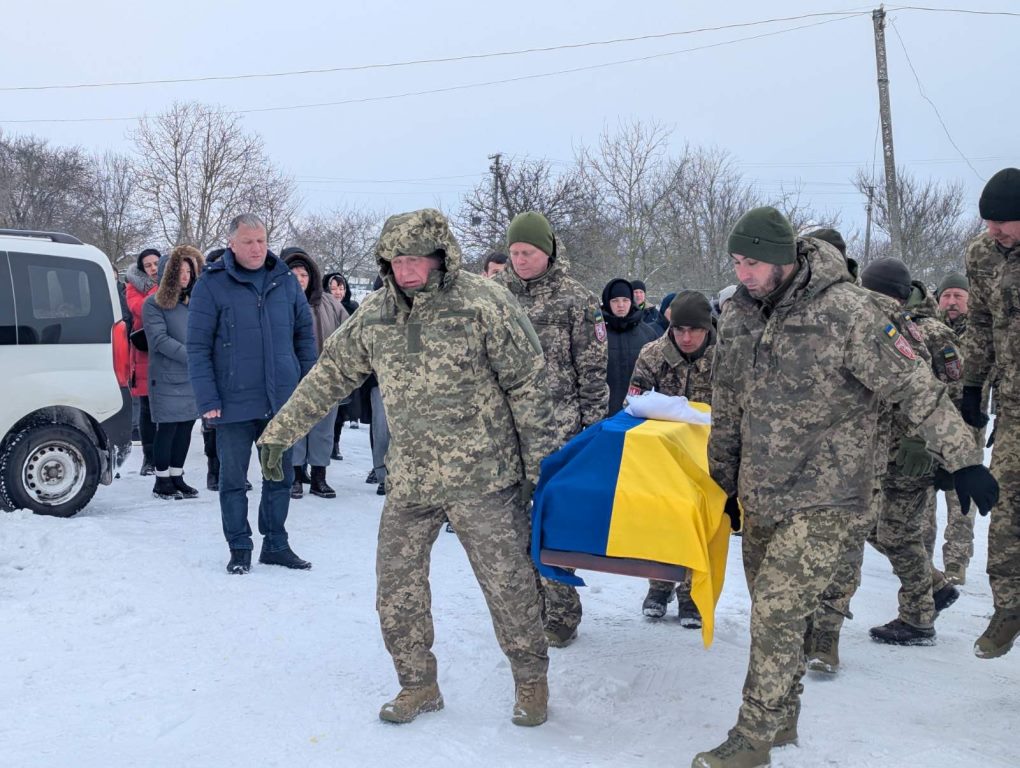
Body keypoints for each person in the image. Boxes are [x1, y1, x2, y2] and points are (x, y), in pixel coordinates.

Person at [695, 206, 997, 768]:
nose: (745, 272)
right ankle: (782, 715)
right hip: (764, 491)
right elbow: (728, 403)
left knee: (778, 614)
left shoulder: (851, 312)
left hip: (831, 494)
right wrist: (725, 479)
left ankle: (753, 738)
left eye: (755, 262)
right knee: (772, 610)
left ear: (785, 257)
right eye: (737, 261)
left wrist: (964, 459)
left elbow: (917, 387)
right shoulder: (737, 314)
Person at [256, 208, 557, 727]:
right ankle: (417, 684)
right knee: (396, 587)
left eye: (416, 259)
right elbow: (329, 375)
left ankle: (530, 679)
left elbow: (528, 387)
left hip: (483, 477)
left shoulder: (483, 303)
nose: (407, 270)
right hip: (411, 479)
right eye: (397, 260)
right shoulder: (375, 315)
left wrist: (541, 471)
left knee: (508, 586)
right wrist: (279, 433)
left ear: (441, 257)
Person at [494, 210, 609, 647]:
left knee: (551, 527)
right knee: (509, 527)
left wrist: (590, 436)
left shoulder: (575, 299)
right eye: (515, 252)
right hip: (504, 431)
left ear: (548, 251)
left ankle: (561, 613)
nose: (520, 260)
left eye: (529, 252)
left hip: (557, 434)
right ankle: (525, 611)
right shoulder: (495, 295)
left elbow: (593, 375)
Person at [187, 213, 317, 575]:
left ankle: (275, 543)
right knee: (233, 480)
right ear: (232, 244)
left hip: (281, 401)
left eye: (261, 240)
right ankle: (239, 547)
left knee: (280, 476)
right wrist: (208, 400)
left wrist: (308, 388)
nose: (257, 248)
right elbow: (196, 348)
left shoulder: (285, 281)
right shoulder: (211, 284)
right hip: (232, 402)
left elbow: (304, 337)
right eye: (248, 241)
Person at [853, 259, 964, 646]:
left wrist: (928, 443)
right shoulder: (883, 327)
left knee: (898, 535)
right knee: (873, 527)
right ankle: (932, 586)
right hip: (882, 451)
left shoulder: (912, 332)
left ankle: (918, 618)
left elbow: (948, 389)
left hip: (909, 454)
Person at [960, 167, 1020, 659]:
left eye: (1003, 222)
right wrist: (973, 386)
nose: (993, 231)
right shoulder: (981, 255)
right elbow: (979, 322)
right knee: (1007, 509)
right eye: (988, 222)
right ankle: (1010, 607)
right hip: (1015, 404)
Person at [630, 290, 716, 627]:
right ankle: (659, 584)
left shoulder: (726, 356)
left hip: (709, 457)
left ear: (707, 328)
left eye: (694, 330)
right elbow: (634, 401)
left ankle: (692, 592)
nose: (686, 337)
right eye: (679, 330)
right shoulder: (653, 354)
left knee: (702, 522)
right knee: (661, 517)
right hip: (661, 455)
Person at [282, 248, 348, 499]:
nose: (299, 279)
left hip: (326, 377)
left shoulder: (329, 303)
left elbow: (348, 334)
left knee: (323, 429)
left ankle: (319, 477)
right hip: (292, 376)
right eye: (293, 274)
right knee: (295, 427)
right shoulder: (279, 303)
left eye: (303, 274)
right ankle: (296, 476)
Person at [142, 246, 204, 501]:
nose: (186, 276)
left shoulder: (194, 303)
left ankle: (177, 476)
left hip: (191, 378)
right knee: (167, 428)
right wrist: (193, 356)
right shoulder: (153, 304)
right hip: (167, 376)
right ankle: (161, 479)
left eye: (190, 271)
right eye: (180, 271)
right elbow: (158, 340)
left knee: (185, 427)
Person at [936, 271, 977, 584]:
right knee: (919, 500)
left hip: (965, 430)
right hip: (927, 429)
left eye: (957, 297)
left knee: (961, 500)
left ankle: (956, 563)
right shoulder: (925, 331)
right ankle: (920, 562)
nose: (951, 302)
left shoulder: (979, 335)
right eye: (947, 296)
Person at [125, 248, 161, 475]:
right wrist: (160, 290)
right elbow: (140, 309)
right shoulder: (133, 287)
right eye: (148, 265)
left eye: (156, 263)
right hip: (144, 351)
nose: (153, 268)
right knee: (147, 408)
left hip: (167, 352)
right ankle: (149, 457)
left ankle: (167, 456)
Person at [601, 278, 658, 416]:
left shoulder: (648, 334)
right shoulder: (596, 335)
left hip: (639, 412)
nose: (621, 305)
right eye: (615, 301)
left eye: (625, 300)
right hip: (604, 412)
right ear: (608, 303)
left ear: (631, 301)